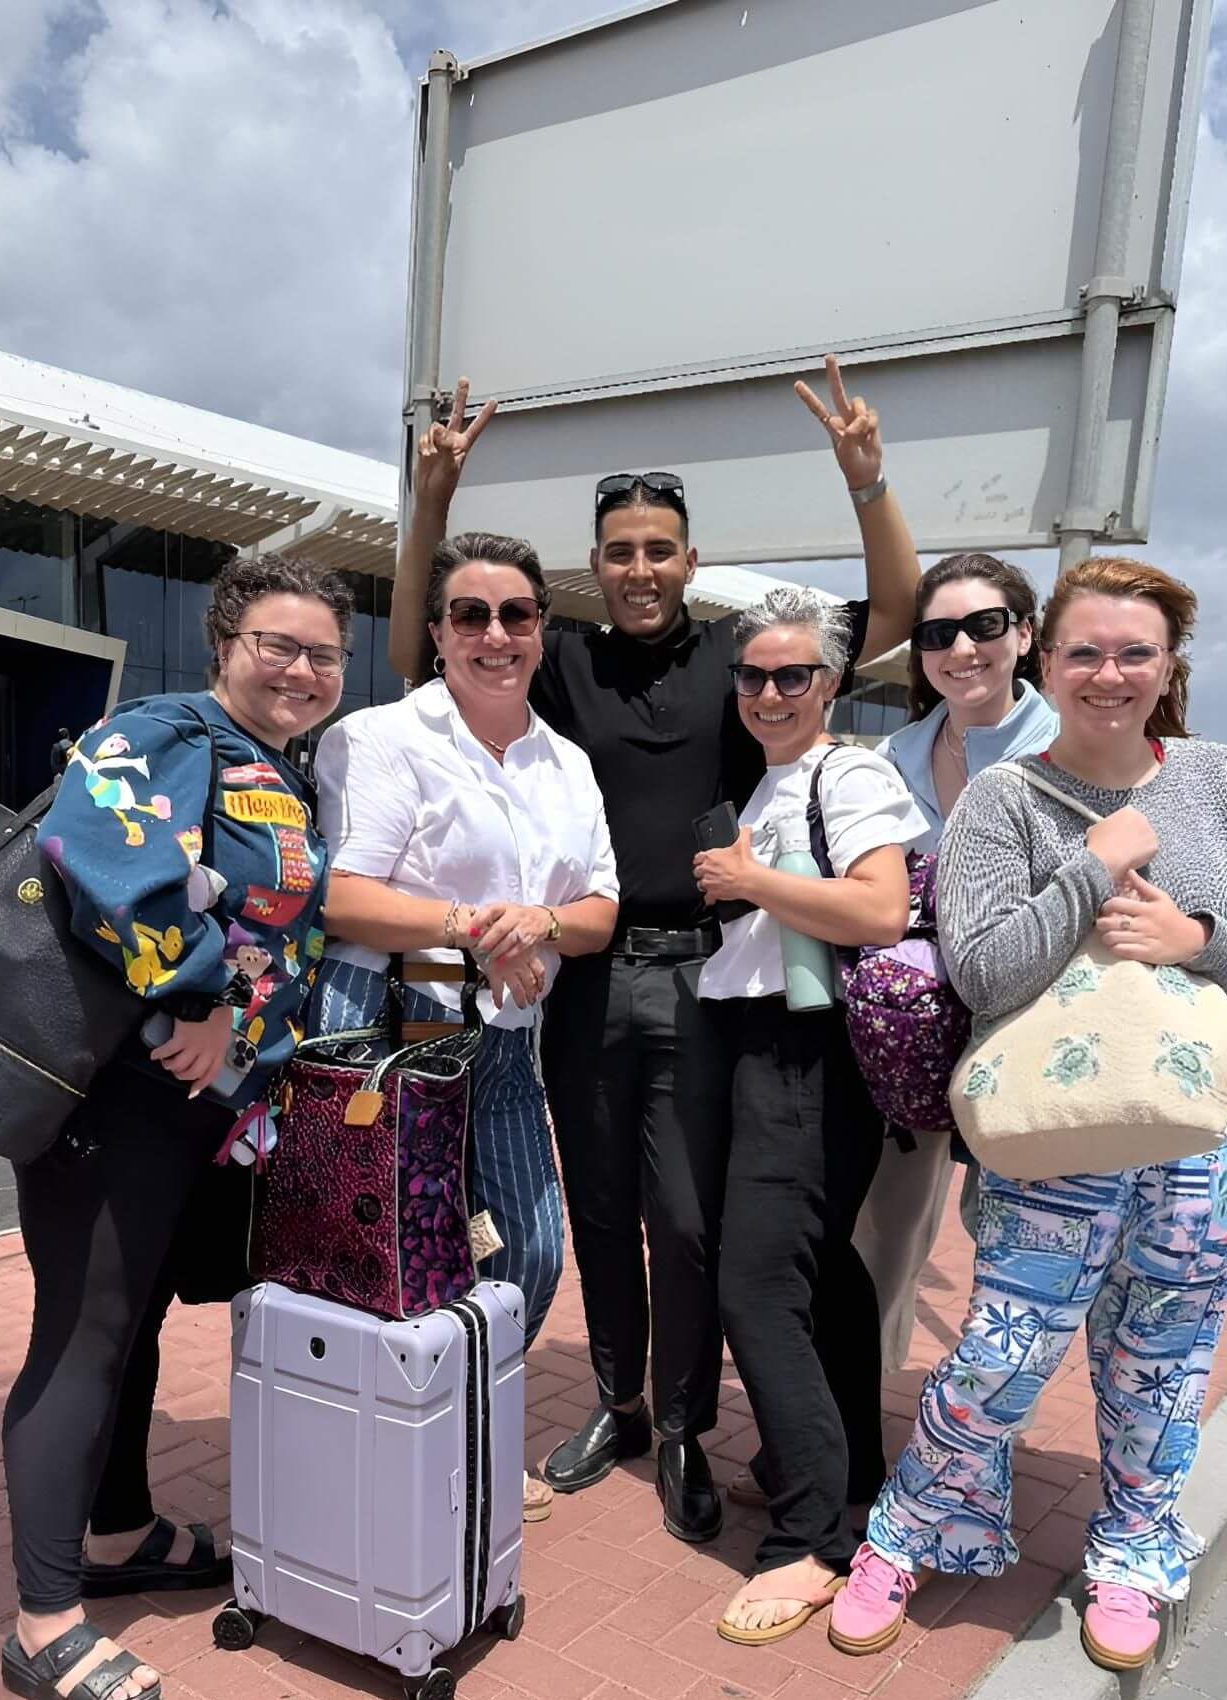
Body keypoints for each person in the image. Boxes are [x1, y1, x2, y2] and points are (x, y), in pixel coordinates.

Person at [389, 361, 920, 1542]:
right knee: (604, 1199)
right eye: (620, 549)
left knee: (683, 1215)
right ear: (598, 561)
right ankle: (622, 1405)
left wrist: (866, 482)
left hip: (708, 978)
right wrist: (433, 500)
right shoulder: (563, 658)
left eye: (660, 548)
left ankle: (685, 1419)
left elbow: (884, 623)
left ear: (690, 557)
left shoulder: (742, 655)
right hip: (587, 970)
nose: (639, 568)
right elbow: (412, 653)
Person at [828, 557, 1227, 1673]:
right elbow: (982, 970)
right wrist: (1091, 871)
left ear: (1168, 666)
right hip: (1055, 1116)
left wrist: (1202, 939)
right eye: (1086, 652)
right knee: (1006, 1342)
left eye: (1134, 651)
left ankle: (1135, 1544)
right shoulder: (1004, 799)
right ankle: (914, 1526)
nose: (1110, 672)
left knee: (1166, 1344)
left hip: (1204, 1120)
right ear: (1048, 664)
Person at [0, 553, 348, 1700]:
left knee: (135, 1319)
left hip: (199, 1101)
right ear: (224, 646)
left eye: (324, 653)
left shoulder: (275, 767)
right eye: (278, 645)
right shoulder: (171, 729)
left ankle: (117, 1530)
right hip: (120, 1090)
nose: (303, 668)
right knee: (85, 1333)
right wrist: (193, 996)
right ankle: (43, 1623)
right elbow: (96, 849)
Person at [312, 530, 620, 1524]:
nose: (495, 633)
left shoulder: (566, 762)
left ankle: (436, 1421)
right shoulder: (381, 737)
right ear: (437, 632)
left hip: (503, 1034)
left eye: (516, 614)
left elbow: (601, 906)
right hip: (393, 1026)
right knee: (382, 1253)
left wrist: (541, 922)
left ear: (542, 629)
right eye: (471, 615)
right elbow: (347, 897)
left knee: (526, 1252)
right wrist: (479, 925)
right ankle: (376, 1461)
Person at [692, 588, 927, 1642]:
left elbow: (882, 906)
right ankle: (843, 1470)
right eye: (754, 675)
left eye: (794, 674)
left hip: (808, 1053)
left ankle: (811, 1539)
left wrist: (750, 878)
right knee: (817, 1264)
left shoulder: (852, 769)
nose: (771, 691)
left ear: (831, 683)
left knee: (757, 1281)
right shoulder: (774, 779)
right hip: (756, 1044)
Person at [856, 553, 1059, 1371]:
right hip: (910, 1046)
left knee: (1020, 1255)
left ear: (1024, 634)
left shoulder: (1065, 747)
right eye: (939, 632)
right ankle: (855, 1436)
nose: (962, 649)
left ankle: (978, 1445)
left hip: (1029, 1039)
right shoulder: (891, 757)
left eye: (984, 626)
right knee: (883, 1239)